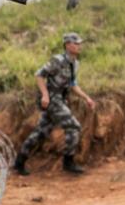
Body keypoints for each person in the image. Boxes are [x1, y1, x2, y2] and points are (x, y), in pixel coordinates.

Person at [13, 32, 95, 176]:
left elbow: (72, 85)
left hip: (60, 99)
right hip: (52, 99)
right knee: (73, 126)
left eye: (79, 43)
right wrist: (45, 95)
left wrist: (86, 98)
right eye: (76, 43)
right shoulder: (57, 60)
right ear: (68, 45)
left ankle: (19, 161)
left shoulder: (75, 64)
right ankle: (68, 162)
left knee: (41, 132)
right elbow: (39, 75)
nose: (79, 46)